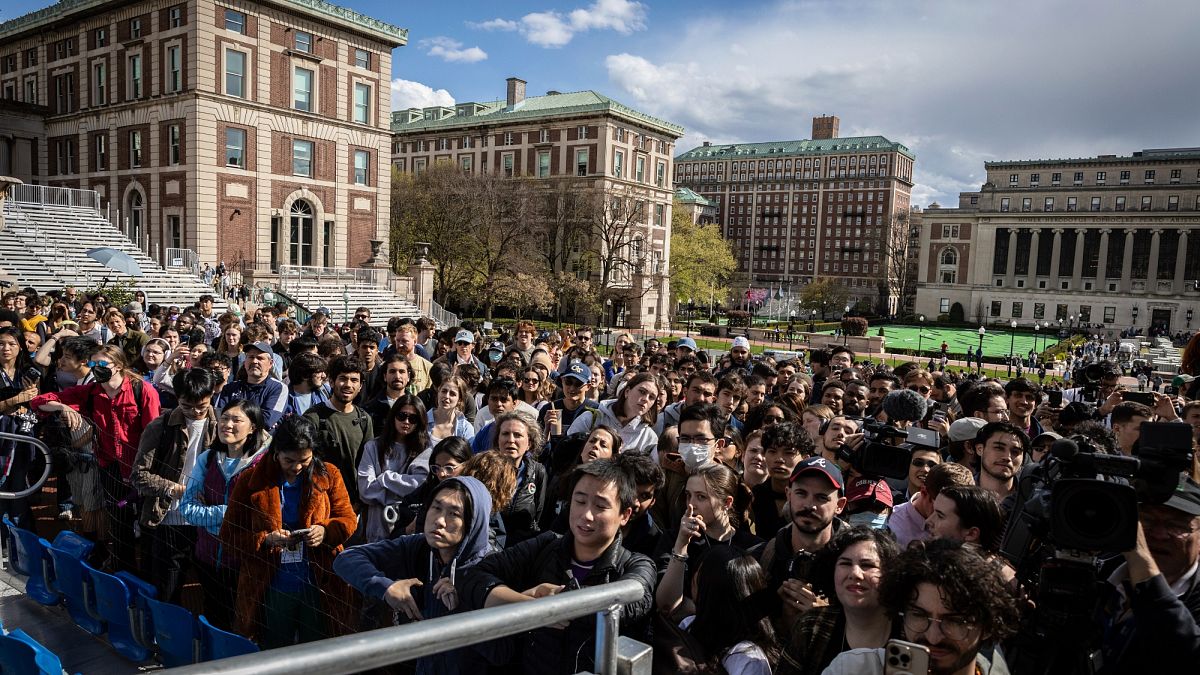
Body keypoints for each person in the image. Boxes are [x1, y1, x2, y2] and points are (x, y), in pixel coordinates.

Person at [459, 459, 656, 675]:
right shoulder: (545, 545)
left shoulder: (636, 565)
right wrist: (531, 606)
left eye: (600, 506)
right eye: (580, 501)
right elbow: (476, 577)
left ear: (625, 515)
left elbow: (632, 602)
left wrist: (559, 602)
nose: (586, 515)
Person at [221, 416, 357, 646]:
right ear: (276, 452)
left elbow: (348, 520)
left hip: (318, 580)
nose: (296, 467)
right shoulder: (250, 481)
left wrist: (325, 532)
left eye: (304, 461)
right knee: (275, 648)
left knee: (318, 649)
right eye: (289, 460)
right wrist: (264, 540)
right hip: (270, 582)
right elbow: (229, 535)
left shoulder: (329, 474)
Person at [334, 476, 496, 668]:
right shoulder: (418, 547)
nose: (440, 521)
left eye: (454, 514)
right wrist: (386, 588)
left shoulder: (491, 568)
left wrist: (464, 610)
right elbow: (346, 559)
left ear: (473, 522)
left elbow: (502, 653)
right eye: (436, 508)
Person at [32, 343, 161, 572]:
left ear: (118, 365)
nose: (96, 368)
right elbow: (39, 401)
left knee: (148, 525)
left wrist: (145, 471)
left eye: (102, 364)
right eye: (92, 364)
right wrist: (64, 407)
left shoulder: (143, 390)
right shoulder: (91, 392)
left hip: (141, 468)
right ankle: (124, 571)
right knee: (119, 525)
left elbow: (153, 434)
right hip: (109, 466)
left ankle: (150, 575)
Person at [822, 539, 1019, 675]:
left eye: (955, 621)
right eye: (919, 616)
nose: (933, 637)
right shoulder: (852, 669)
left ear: (986, 626)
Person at [179, 399, 271, 630]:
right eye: (224, 418)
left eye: (237, 420)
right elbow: (188, 509)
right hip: (207, 557)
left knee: (246, 622)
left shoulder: (263, 466)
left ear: (253, 428)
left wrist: (211, 514)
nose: (227, 424)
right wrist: (228, 511)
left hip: (245, 562)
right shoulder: (208, 459)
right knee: (213, 617)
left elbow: (261, 517)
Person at [130, 368, 218, 604]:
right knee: (168, 584)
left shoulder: (222, 425)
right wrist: (176, 489)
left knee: (214, 587)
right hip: (171, 517)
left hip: (208, 519)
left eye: (203, 405)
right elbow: (138, 475)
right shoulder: (160, 426)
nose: (196, 412)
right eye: (187, 406)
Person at [1096, 477, 1200, 672]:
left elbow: (1186, 655)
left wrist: (1142, 563)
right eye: (1148, 520)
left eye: (1176, 525)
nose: (1159, 535)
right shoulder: (1103, 570)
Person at [776, 527, 902, 675]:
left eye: (867, 565)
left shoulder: (910, 632)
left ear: (890, 574)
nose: (855, 574)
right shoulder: (812, 626)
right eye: (845, 563)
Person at [656, 462, 761, 619]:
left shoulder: (752, 547)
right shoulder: (674, 539)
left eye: (701, 497)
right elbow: (666, 605)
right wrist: (681, 544)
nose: (691, 504)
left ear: (727, 503)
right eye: (688, 495)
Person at [758, 456, 848, 633]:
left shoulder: (857, 563)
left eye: (821, 498)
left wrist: (826, 617)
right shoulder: (762, 558)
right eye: (801, 493)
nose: (809, 505)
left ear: (840, 505)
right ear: (788, 495)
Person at [675, 546, 779, 675]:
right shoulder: (688, 625)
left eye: (699, 579)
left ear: (710, 592)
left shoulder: (746, 659)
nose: (692, 582)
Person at [358, 395, 431, 542]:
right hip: (377, 527)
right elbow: (365, 490)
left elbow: (420, 485)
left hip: (409, 528)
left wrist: (385, 479)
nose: (406, 422)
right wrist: (401, 490)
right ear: (393, 416)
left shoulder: (426, 450)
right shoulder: (373, 447)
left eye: (413, 418)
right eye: (402, 416)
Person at [304, 355, 375, 507]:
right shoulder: (313, 417)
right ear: (331, 381)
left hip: (352, 503)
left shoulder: (364, 419)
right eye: (343, 378)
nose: (348, 385)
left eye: (354, 380)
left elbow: (367, 465)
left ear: (361, 385)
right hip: (320, 499)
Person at [488, 411, 547, 546]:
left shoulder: (538, 472)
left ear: (529, 444)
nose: (511, 440)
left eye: (518, 435)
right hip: (491, 551)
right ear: (498, 440)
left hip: (522, 552)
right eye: (505, 434)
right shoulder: (486, 471)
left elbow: (538, 517)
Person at [886, 462, 975, 549]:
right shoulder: (890, 523)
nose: (931, 521)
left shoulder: (968, 531)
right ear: (924, 492)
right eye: (939, 511)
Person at [568, 372, 661, 455]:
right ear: (627, 391)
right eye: (642, 391)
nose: (645, 399)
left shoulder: (648, 438)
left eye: (652, 397)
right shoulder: (590, 418)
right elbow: (566, 451)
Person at [752, 422, 813, 537]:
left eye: (788, 453)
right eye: (772, 451)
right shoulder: (754, 496)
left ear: (805, 459)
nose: (779, 459)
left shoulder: (812, 498)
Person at [217, 340, 288, 430]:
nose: (254, 361)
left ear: (270, 364)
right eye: (251, 357)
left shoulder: (278, 388)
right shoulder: (230, 388)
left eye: (260, 358)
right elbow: (220, 417)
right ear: (245, 361)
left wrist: (234, 419)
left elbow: (266, 421)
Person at [427, 376, 475, 446]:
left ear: (459, 399)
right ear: (438, 392)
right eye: (444, 391)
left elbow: (469, 454)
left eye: (452, 394)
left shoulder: (466, 428)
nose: (447, 396)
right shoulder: (423, 421)